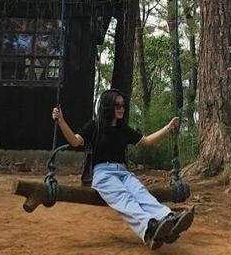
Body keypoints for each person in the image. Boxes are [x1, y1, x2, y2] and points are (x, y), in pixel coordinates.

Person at [52, 88, 194, 250]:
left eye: (123, 105)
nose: (122, 109)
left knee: (140, 192)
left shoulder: (123, 129)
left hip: (123, 172)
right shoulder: (95, 126)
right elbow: (75, 141)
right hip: (103, 173)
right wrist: (61, 121)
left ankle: (168, 217)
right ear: (108, 106)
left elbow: (147, 141)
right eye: (117, 105)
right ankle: (149, 227)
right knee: (125, 199)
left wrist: (168, 128)